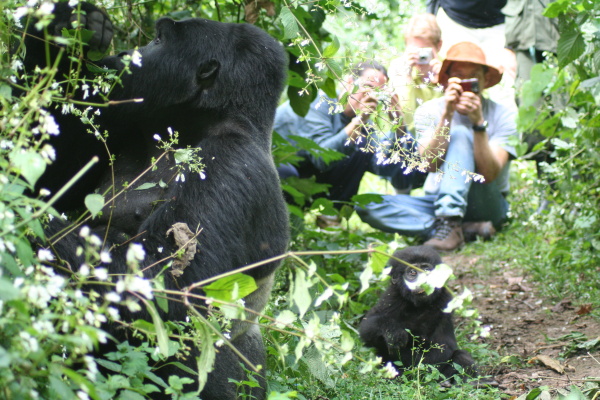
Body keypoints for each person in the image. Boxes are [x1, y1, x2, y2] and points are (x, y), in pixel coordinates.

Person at [357, 42, 518, 252]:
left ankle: (451, 222)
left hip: (485, 201)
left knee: (461, 134)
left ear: (485, 80)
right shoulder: (430, 110)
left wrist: (478, 124)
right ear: (447, 80)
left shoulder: (503, 114)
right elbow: (428, 164)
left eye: (472, 78)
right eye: (459, 78)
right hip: (437, 200)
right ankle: (462, 228)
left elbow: (489, 173)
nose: (465, 84)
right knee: (367, 205)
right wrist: (447, 116)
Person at [274, 62, 410, 206]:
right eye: (368, 87)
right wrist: (359, 121)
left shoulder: (364, 125)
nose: (371, 97)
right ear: (349, 82)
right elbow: (320, 157)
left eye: (378, 93)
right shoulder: (318, 102)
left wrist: (399, 127)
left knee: (360, 144)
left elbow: (381, 168)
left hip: (306, 177)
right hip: (274, 170)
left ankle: (332, 218)